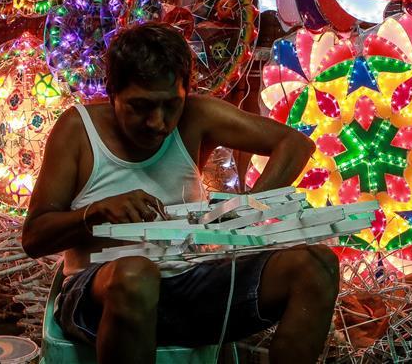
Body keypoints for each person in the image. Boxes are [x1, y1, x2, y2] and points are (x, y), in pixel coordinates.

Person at [22, 22, 339, 364]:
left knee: (316, 265)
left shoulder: (196, 116)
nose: (158, 122)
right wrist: (93, 214)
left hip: (188, 284)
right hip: (100, 296)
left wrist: (248, 208)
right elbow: (34, 238)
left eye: (170, 104)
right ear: (112, 93)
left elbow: (294, 144)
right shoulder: (78, 129)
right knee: (137, 274)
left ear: (186, 93)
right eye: (140, 106)